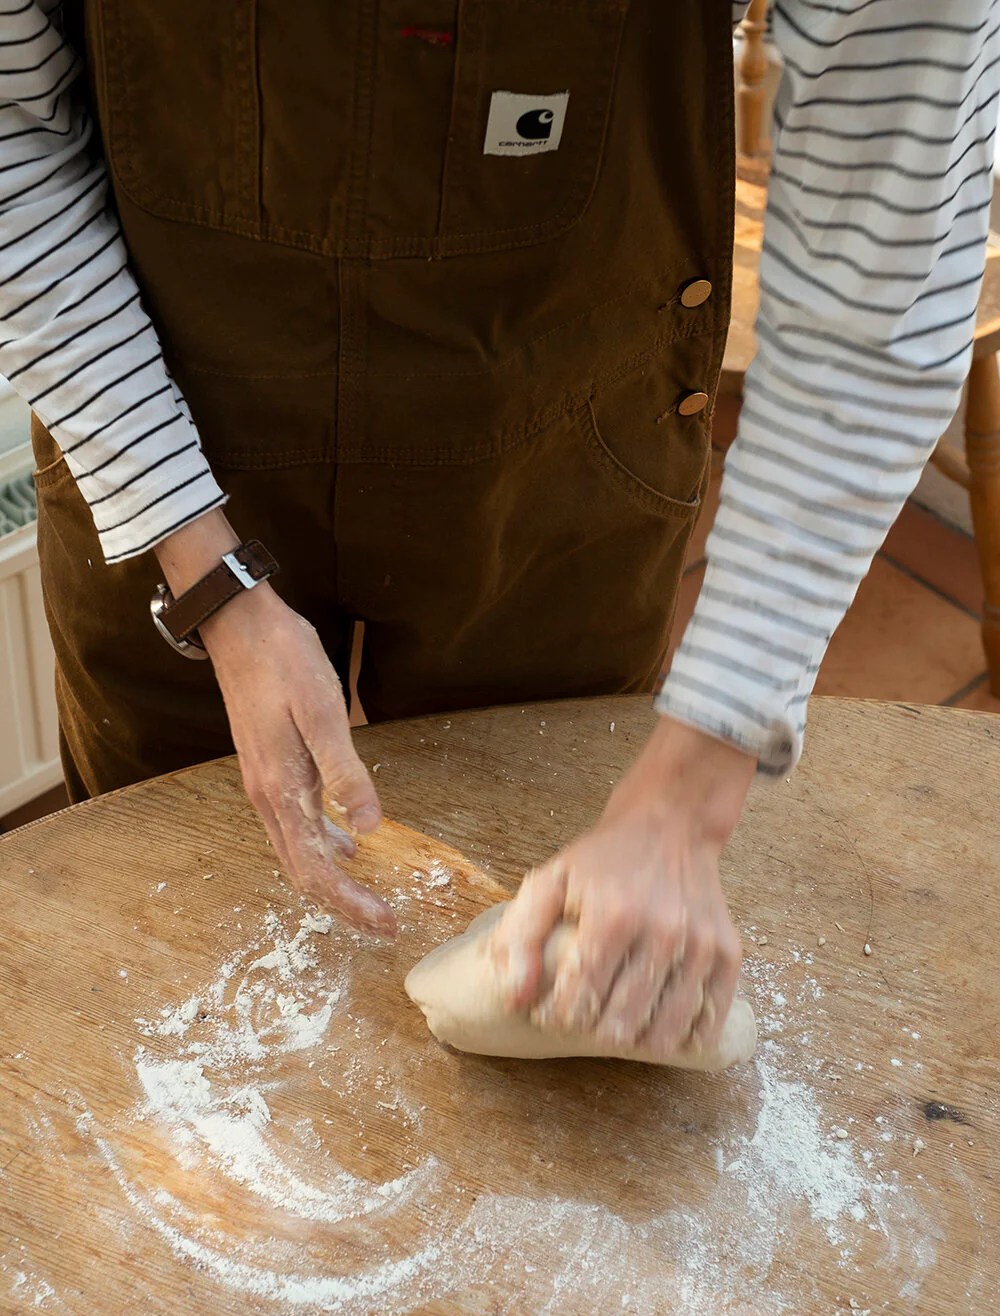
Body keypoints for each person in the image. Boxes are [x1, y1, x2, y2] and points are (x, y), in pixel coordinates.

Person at [1, 1, 996, 1057]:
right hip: (158, 432)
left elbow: (884, 261)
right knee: (163, 981)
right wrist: (205, 573)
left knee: (552, 930)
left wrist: (690, 792)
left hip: (559, 465)